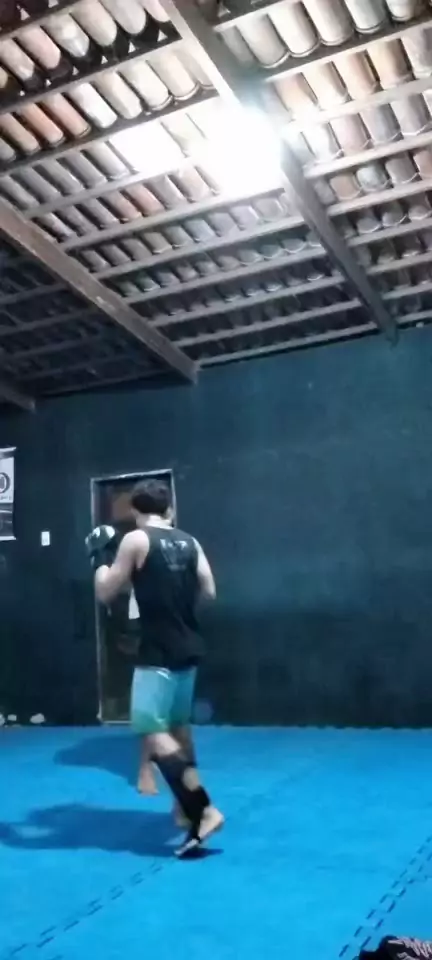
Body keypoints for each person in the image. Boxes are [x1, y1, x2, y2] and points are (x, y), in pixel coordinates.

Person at [85, 479, 224, 857]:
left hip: (158, 651)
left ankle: (203, 809)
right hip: (189, 647)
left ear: (135, 510)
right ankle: (185, 807)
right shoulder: (190, 541)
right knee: (178, 729)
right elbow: (209, 591)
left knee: (150, 727)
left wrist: (99, 557)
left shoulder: (136, 539)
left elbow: (105, 592)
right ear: (169, 509)